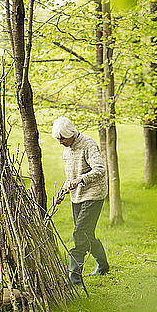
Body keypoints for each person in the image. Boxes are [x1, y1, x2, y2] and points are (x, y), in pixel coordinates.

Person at [51, 117, 109, 285]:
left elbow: (100, 170)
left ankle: (74, 278)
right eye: (58, 139)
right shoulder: (66, 149)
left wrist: (80, 180)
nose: (60, 142)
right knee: (87, 234)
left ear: (71, 133)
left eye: (62, 138)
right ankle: (103, 266)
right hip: (77, 197)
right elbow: (70, 177)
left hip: (93, 195)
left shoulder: (88, 144)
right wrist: (62, 191)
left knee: (79, 234)